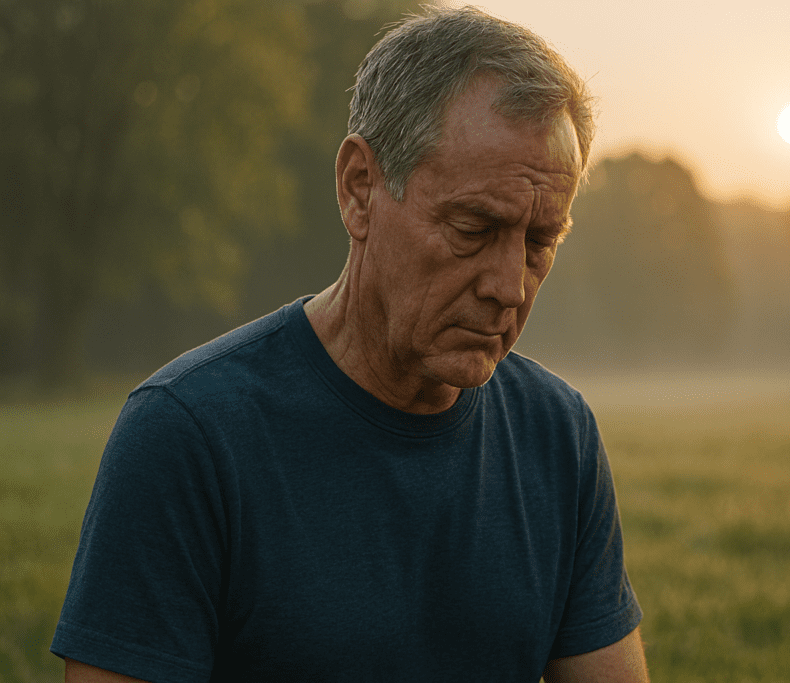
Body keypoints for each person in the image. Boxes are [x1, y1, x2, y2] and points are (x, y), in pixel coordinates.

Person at [51, 6, 647, 682]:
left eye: (540, 242)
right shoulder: (187, 435)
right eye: (473, 227)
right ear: (360, 188)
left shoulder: (558, 435)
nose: (510, 288)